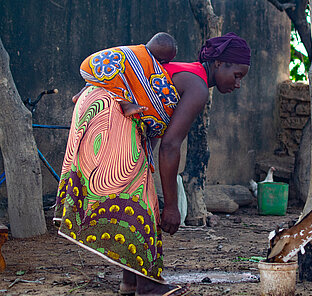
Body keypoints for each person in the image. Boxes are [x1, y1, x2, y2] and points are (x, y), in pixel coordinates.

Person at [53, 32, 250, 296]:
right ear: (218, 63)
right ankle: (147, 286)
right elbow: (170, 146)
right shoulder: (198, 87)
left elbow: (153, 125)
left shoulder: (181, 72)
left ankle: (132, 281)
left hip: (98, 107)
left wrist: (146, 173)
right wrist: (171, 206)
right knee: (139, 199)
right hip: (111, 112)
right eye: (237, 75)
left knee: (139, 194)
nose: (238, 84)